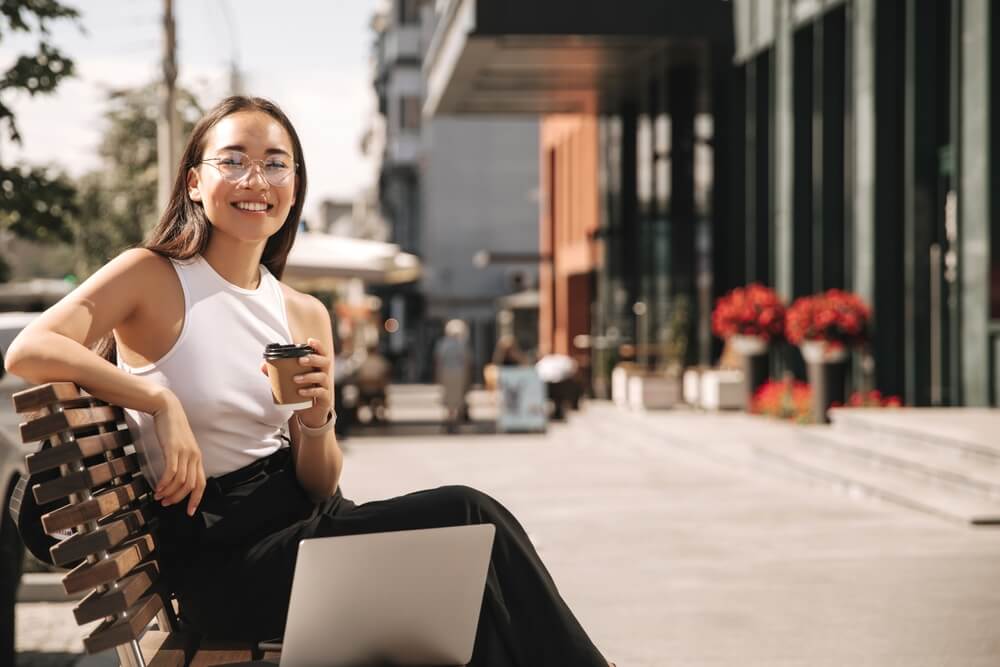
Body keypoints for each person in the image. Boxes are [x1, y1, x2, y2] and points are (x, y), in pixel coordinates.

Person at [4, 96, 614, 667]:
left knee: (466, 586)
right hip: (228, 561)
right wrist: (156, 398)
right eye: (233, 161)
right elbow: (29, 349)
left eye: (276, 164)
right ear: (195, 181)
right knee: (469, 519)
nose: (256, 181)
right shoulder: (156, 276)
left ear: (295, 187)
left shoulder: (303, 312)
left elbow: (320, 483)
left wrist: (317, 418)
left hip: (305, 528)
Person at [434, 319, 471, 434]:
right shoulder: (462, 345)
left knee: (449, 399)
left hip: (447, 373)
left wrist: (438, 376)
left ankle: (450, 420)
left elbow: (438, 361)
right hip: (458, 374)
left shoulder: (442, 344)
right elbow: (467, 362)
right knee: (457, 398)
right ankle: (455, 422)